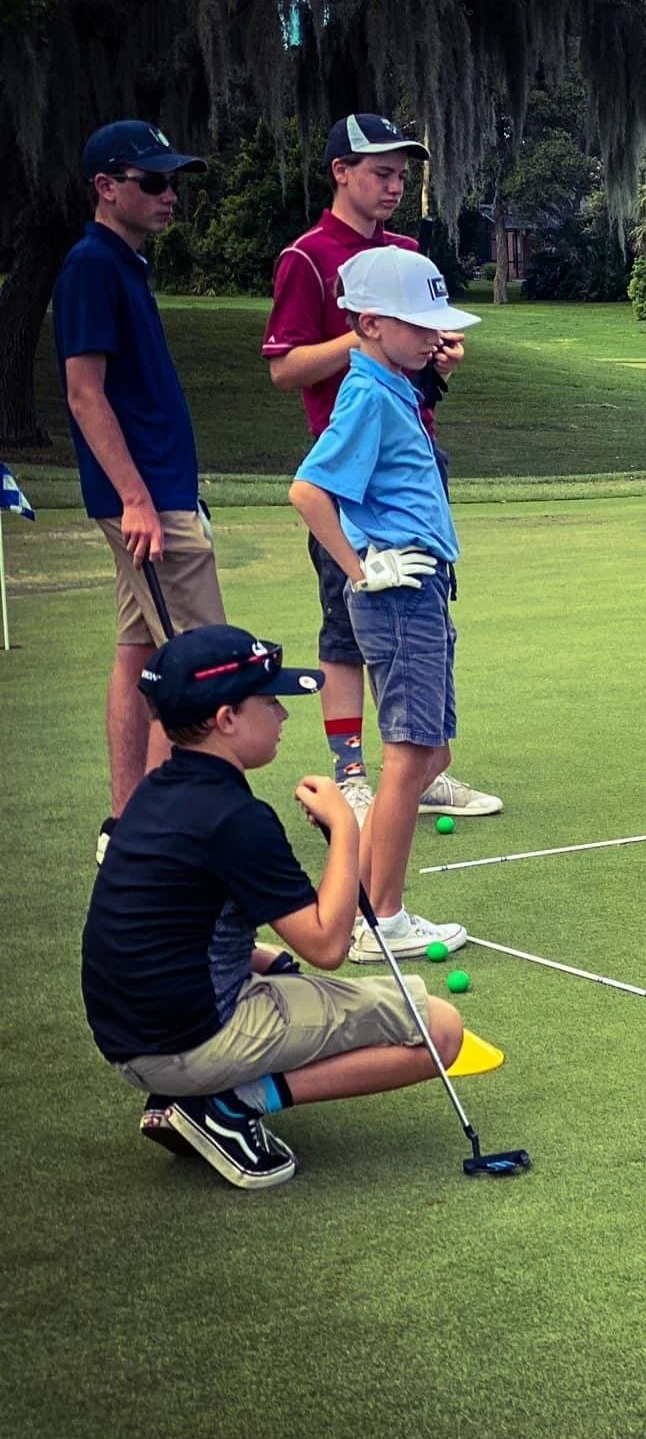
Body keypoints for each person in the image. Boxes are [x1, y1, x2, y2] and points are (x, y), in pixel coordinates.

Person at [81, 623, 465, 1189]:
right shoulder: (237, 819)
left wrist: (265, 962)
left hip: (129, 1038)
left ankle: (203, 1091)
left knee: (276, 963)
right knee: (441, 1030)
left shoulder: (156, 794)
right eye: (270, 701)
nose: (283, 715)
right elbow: (328, 944)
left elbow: (176, 927)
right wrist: (344, 830)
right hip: (186, 1041)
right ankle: (230, 1106)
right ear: (226, 719)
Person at [262, 113, 502, 824]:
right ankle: (355, 775)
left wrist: (432, 355)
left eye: (402, 174)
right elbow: (284, 368)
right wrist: (365, 338)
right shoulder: (307, 257)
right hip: (347, 468)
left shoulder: (404, 248)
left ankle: (420, 768)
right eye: (380, 173)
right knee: (349, 621)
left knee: (423, 615)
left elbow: (418, 352)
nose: (395, 185)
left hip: (413, 447)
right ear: (341, 172)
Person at [287, 247, 479, 963]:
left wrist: (432, 368)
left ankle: (361, 902)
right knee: (409, 757)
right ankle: (381, 918)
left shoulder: (394, 380)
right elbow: (309, 492)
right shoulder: (367, 393)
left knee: (429, 752)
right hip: (396, 590)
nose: (435, 336)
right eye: (419, 324)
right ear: (369, 323)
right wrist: (361, 568)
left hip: (421, 586)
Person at [53, 121, 223, 846]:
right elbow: (84, 392)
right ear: (106, 187)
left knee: (140, 656)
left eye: (173, 180)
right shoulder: (92, 264)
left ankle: (128, 827)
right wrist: (137, 499)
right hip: (148, 504)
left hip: (160, 494)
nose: (169, 194)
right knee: (206, 667)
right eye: (152, 181)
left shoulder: (125, 264)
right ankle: (168, 839)